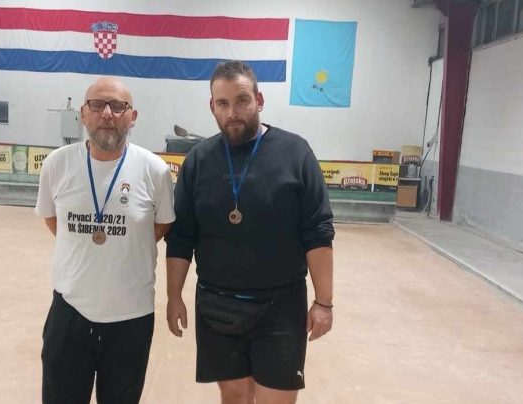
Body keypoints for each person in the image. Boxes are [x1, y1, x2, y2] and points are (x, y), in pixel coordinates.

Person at [165, 60, 335, 404]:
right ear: (212, 106)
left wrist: (324, 302)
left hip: (281, 305)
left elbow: (317, 233)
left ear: (259, 100)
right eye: (223, 103)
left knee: (276, 399)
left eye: (242, 100)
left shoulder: (295, 153)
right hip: (216, 303)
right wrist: (173, 295)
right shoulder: (198, 160)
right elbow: (181, 237)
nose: (233, 112)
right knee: (235, 395)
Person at [35, 77, 175, 404]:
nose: (107, 114)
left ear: (132, 116)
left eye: (117, 106)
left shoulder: (154, 170)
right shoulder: (57, 164)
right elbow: (54, 221)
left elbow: (161, 226)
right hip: (70, 311)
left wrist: (123, 244)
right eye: (97, 105)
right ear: (83, 113)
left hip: (131, 318)